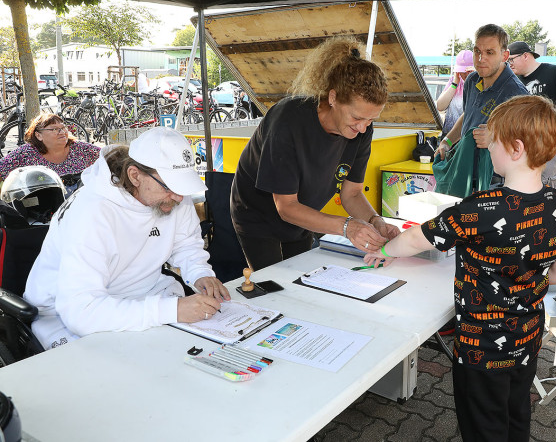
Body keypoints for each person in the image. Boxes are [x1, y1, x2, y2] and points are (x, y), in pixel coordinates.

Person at [365, 95, 556, 442]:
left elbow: (419, 238)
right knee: (514, 413)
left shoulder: (482, 208)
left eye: (492, 141)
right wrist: (530, 276)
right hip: (527, 340)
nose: (488, 148)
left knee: (483, 425)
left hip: (481, 347)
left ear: (515, 148)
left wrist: (387, 248)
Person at [24, 127, 230, 350]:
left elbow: (186, 242)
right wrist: (173, 310)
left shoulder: (171, 194)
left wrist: (200, 273)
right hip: (66, 316)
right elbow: (80, 312)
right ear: (135, 175)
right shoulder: (92, 213)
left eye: (183, 186)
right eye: (170, 186)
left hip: (145, 296)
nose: (179, 197)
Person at [230, 36, 400, 272]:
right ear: (333, 98)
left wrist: (376, 221)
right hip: (258, 214)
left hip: (304, 213)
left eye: (371, 119)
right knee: (273, 284)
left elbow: (351, 194)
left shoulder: (363, 130)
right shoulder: (288, 121)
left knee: (302, 278)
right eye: (357, 118)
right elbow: (286, 207)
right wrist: (347, 227)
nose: (363, 128)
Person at [436, 25, 528, 161]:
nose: (481, 58)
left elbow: (529, 141)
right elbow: (467, 115)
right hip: (466, 168)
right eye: (477, 51)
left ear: (505, 55)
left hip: (495, 178)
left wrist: (497, 139)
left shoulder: (517, 93)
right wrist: (447, 142)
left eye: (489, 52)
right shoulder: (471, 80)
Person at [507, 41, 556, 191]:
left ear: (526, 56)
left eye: (511, 59)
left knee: (549, 191)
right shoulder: (513, 81)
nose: (509, 64)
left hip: (549, 147)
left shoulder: (553, 72)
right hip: (522, 149)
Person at [0, 113, 100, 182]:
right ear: (38, 135)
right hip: (41, 210)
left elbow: (110, 157)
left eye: (63, 127)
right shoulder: (26, 153)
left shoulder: (80, 148)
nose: (62, 132)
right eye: (54, 129)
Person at [435, 49, 474, 136]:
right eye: (462, 71)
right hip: (449, 135)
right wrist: (455, 83)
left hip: (468, 136)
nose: (465, 74)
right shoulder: (454, 82)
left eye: (469, 71)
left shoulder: (480, 82)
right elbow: (440, 106)